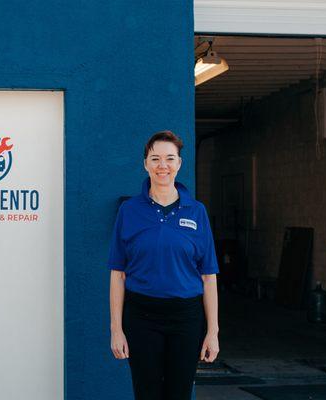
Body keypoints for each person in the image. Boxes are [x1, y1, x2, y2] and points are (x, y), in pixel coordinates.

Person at [108, 131, 219, 400]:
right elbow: (118, 274)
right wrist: (116, 329)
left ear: (179, 164)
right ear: (145, 163)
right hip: (141, 316)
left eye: (170, 158)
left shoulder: (197, 211)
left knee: (179, 394)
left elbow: (208, 277)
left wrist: (213, 331)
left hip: (186, 317)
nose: (162, 165)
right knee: (147, 393)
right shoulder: (129, 211)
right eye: (155, 158)